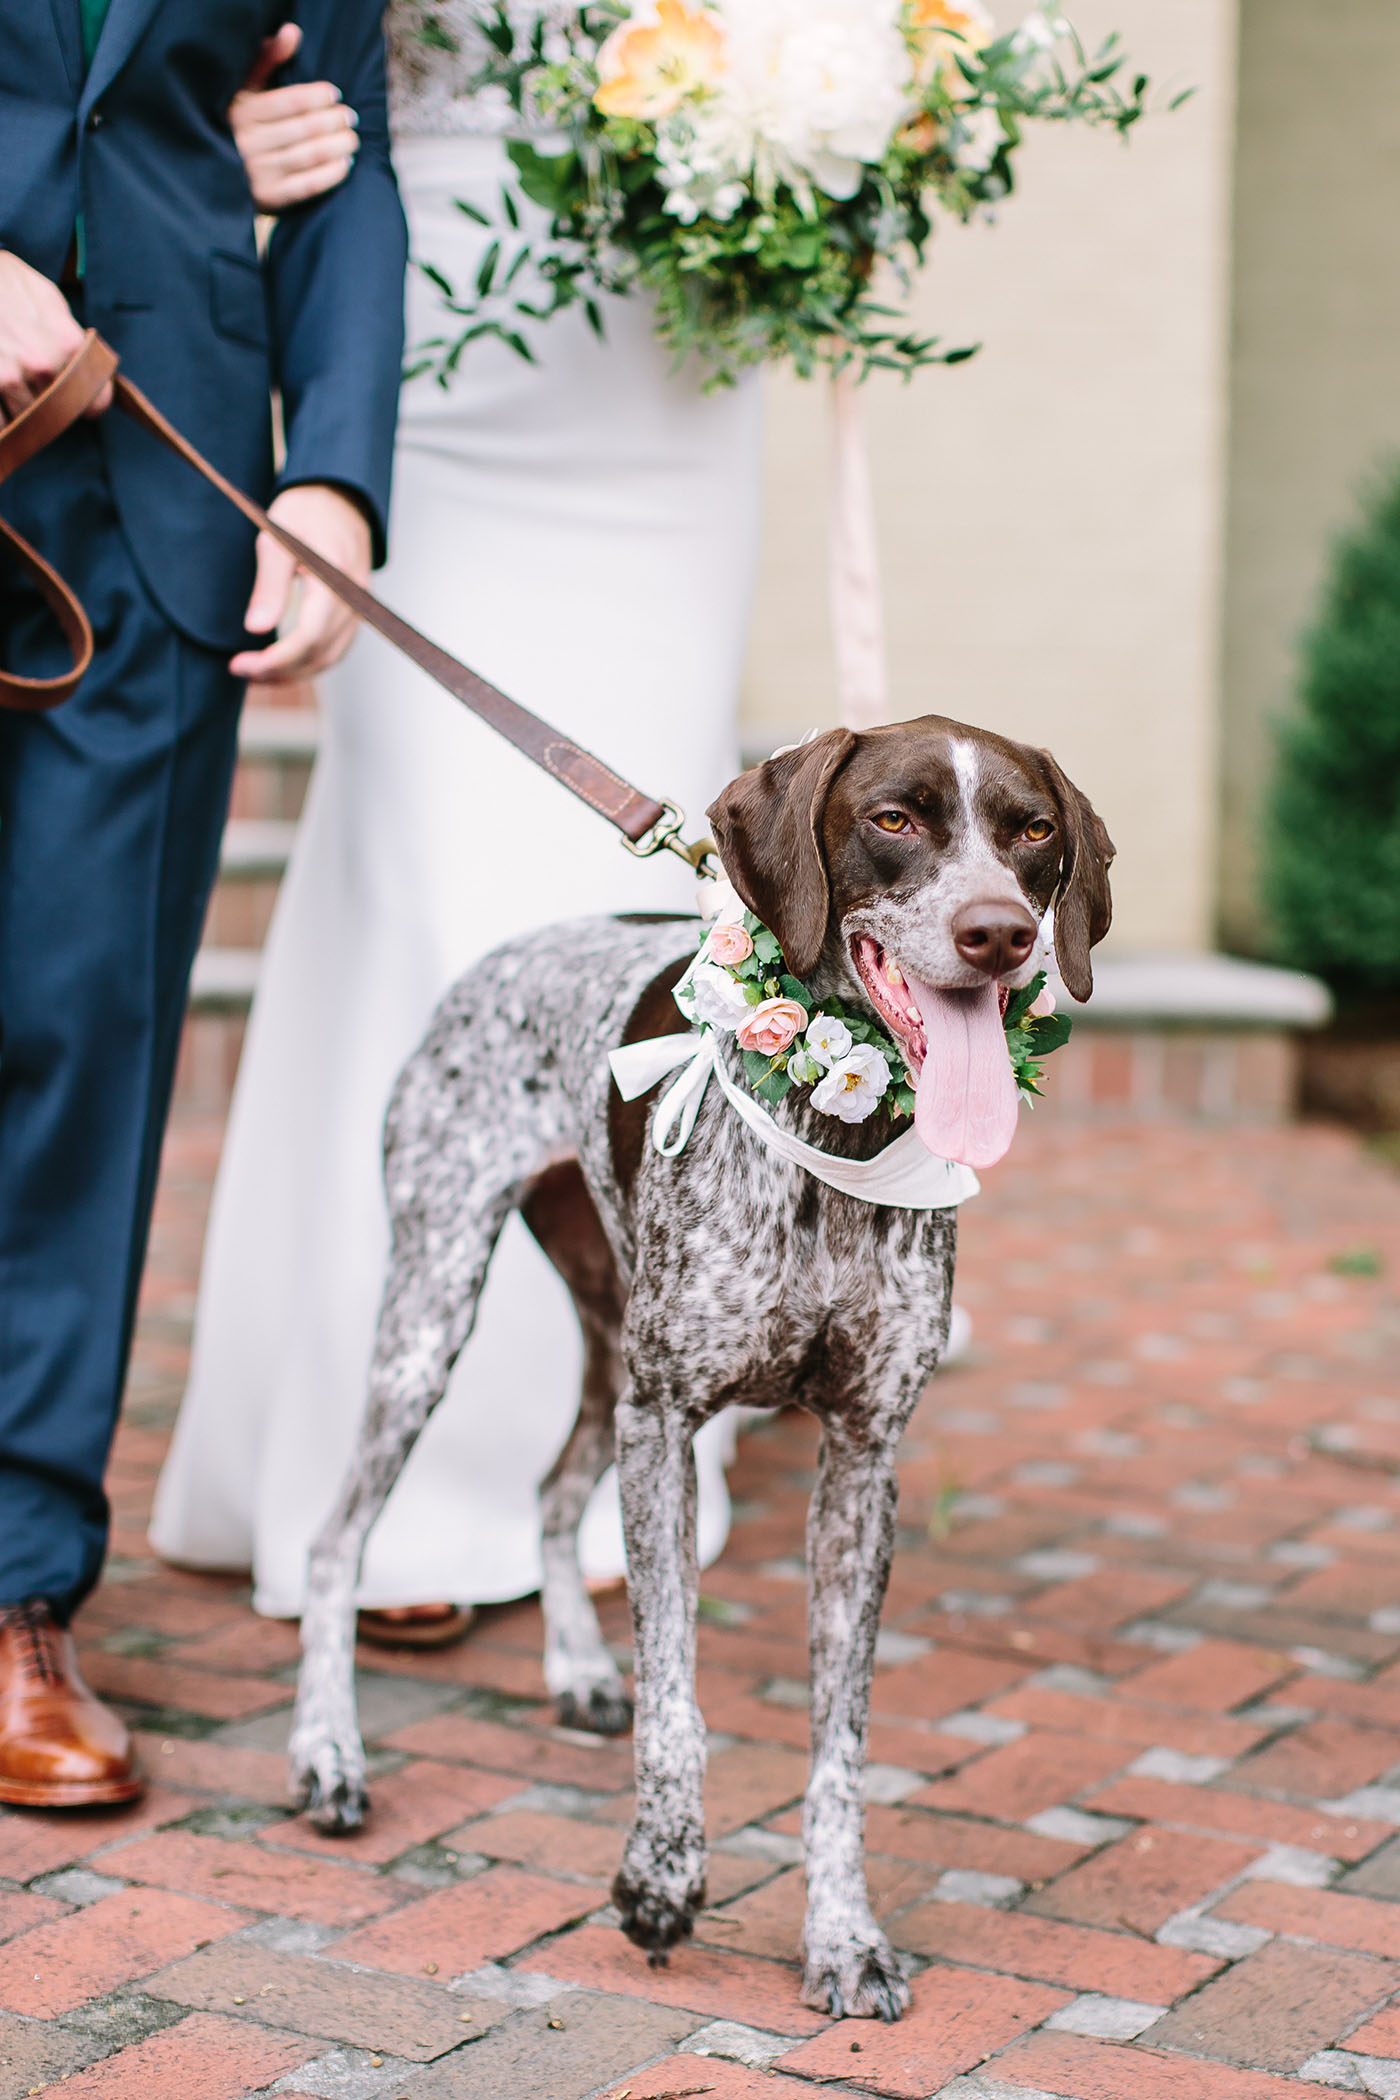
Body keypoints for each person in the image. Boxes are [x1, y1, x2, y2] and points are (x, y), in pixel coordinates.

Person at [149, 2, 762, 1641]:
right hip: (418, 310)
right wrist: (213, 159)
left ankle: (621, 1430)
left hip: (670, 345)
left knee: (632, 910)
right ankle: (402, 1468)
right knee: (424, 880)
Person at [0, 3, 406, 1806]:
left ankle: (15, 1587)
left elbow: (345, 157)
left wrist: (331, 475)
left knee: (80, 1043)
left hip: (157, 489)